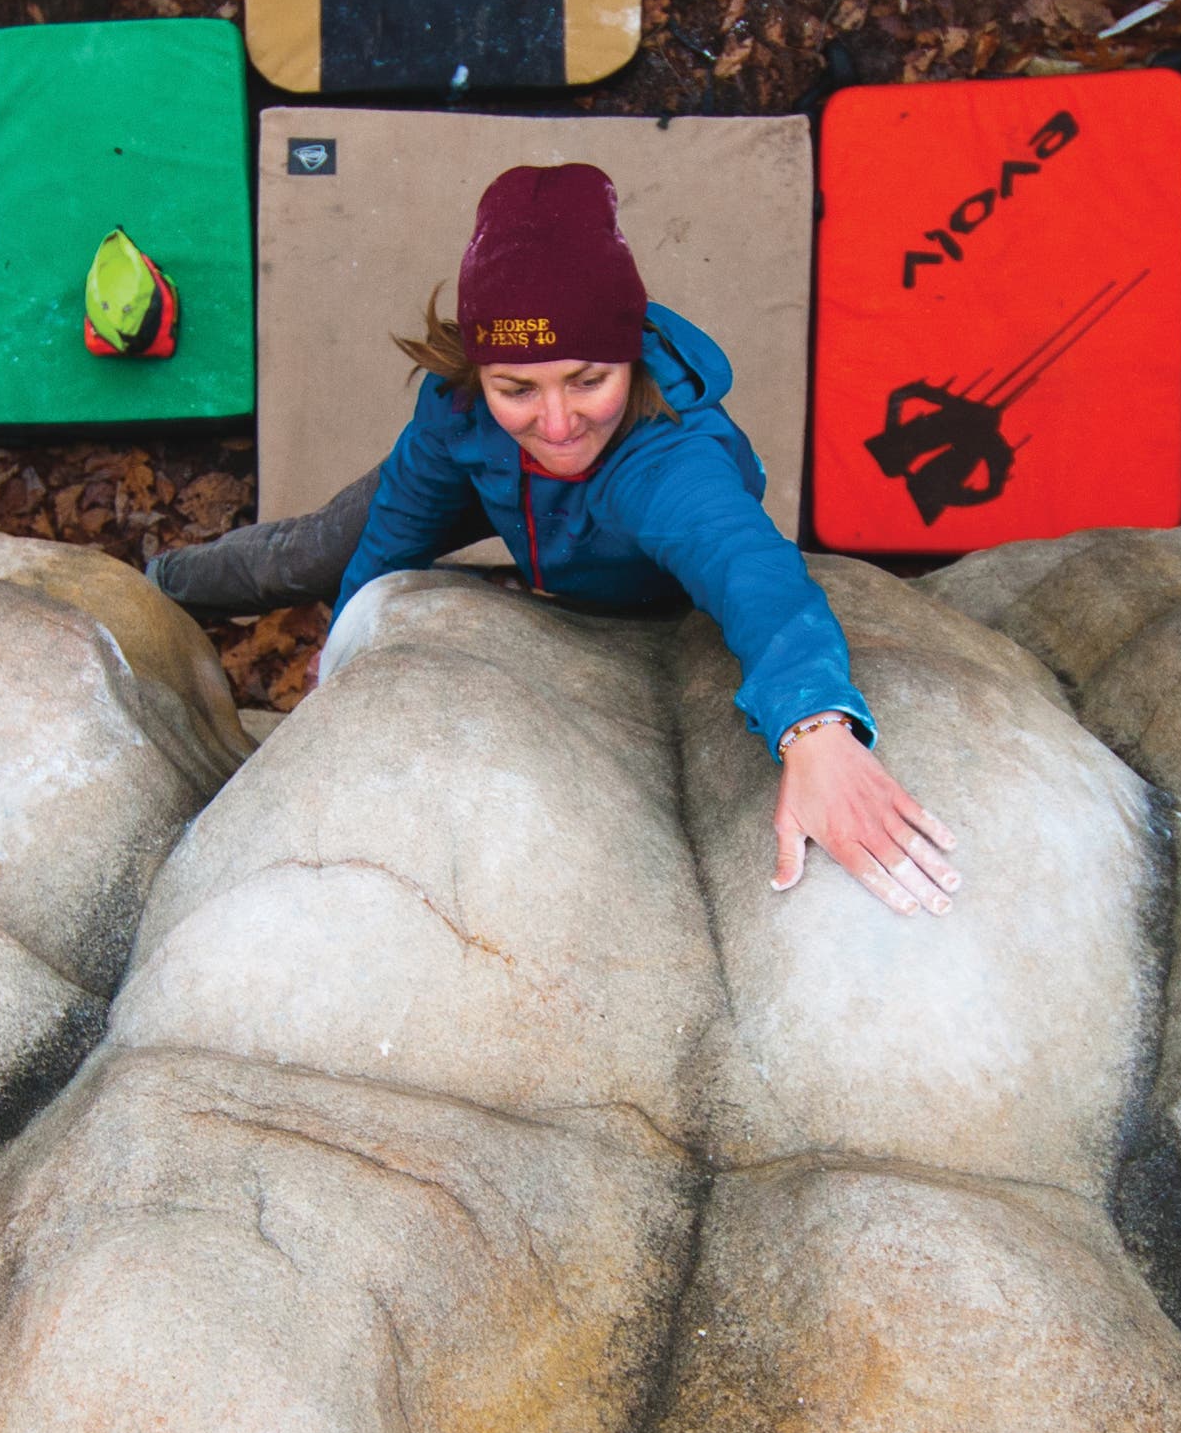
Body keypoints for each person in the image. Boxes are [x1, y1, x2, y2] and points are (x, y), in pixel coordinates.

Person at [151, 162, 961, 916]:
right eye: (517, 386)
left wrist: (815, 726)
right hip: (500, 486)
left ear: (628, 358)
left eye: (588, 379)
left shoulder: (669, 461)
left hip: (616, 536)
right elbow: (396, 527)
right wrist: (344, 645)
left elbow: (751, 569)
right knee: (317, 548)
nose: (559, 422)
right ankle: (157, 585)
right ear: (479, 373)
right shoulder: (460, 410)